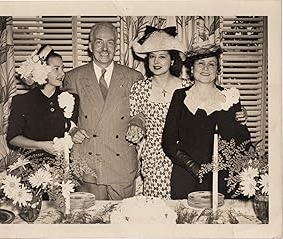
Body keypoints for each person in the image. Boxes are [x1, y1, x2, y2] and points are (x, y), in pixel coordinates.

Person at [126, 26, 248, 200]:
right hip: (156, 160)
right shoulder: (140, 88)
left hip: (185, 159)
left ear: (172, 60)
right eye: (152, 56)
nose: (156, 61)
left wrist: (240, 113)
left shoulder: (185, 87)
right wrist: (136, 123)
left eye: (162, 56)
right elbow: (136, 116)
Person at [63, 22, 144, 200]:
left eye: (110, 42)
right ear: (90, 46)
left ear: (116, 46)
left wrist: (137, 123)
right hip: (88, 161)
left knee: (124, 221)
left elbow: (142, 112)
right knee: (90, 221)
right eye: (99, 42)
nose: (105, 48)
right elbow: (63, 116)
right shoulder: (73, 77)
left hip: (121, 161)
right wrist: (72, 130)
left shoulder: (134, 77)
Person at [161, 44, 251, 199]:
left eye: (211, 64)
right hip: (187, 177)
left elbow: (243, 143)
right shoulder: (180, 96)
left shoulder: (230, 98)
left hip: (223, 180)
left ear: (218, 70)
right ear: (191, 69)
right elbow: (168, 142)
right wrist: (196, 169)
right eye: (200, 64)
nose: (206, 68)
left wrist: (242, 122)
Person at [7, 45, 79, 159]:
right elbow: (12, 138)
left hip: (64, 165)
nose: (62, 73)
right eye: (56, 69)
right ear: (42, 71)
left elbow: (72, 129)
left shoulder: (71, 99)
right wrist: (40, 145)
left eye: (62, 68)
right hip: (33, 167)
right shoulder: (23, 101)